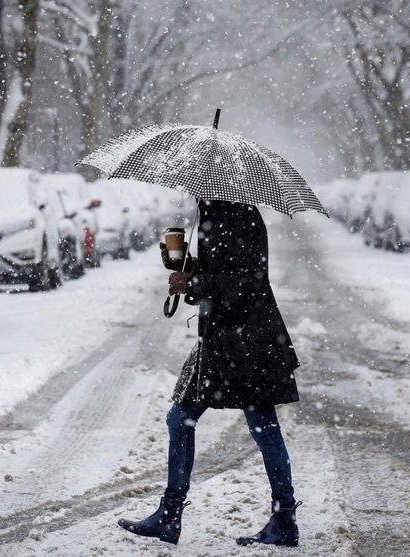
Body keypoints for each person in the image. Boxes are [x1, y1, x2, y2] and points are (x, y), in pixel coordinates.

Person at [117, 199, 301, 547]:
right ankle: (171, 516)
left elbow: (247, 279)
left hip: (247, 342)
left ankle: (283, 519)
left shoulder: (238, 214)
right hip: (225, 340)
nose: (188, 188)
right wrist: (186, 263)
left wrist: (193, 284)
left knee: (261, 426)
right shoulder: (215, 212)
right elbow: (226, 268)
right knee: (184, 418)